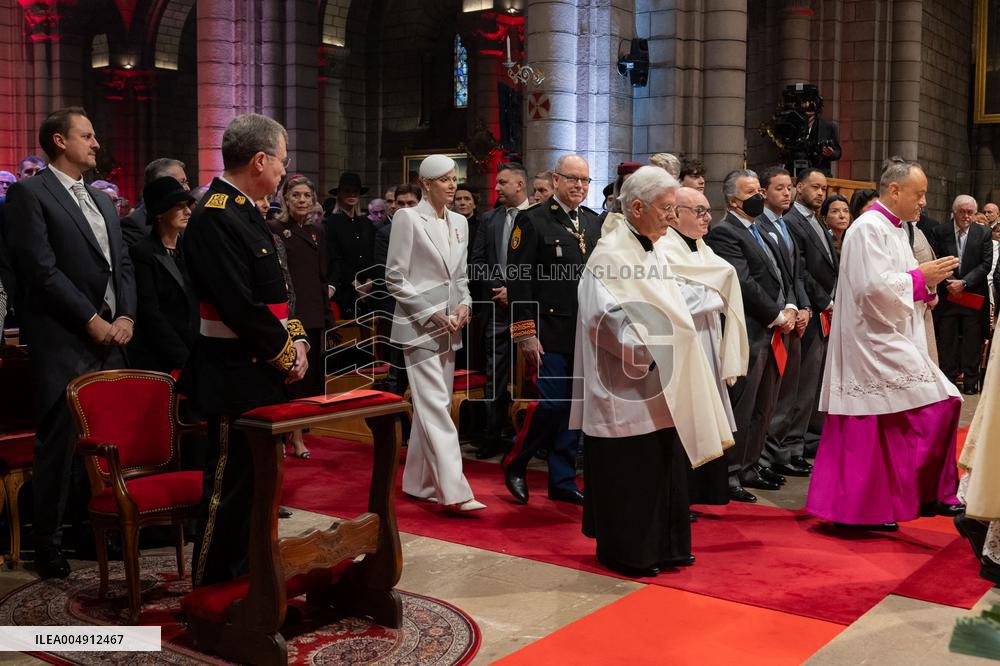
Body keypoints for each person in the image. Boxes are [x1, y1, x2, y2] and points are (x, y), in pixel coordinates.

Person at [570, 167, 735, 577]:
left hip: (663, 386)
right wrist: (652, 345)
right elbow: (603, 320)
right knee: (634, 474)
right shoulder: (609, 257)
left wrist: (700, 302)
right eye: (666, 209)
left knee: (664, 469)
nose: (671, 217)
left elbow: (671, 297)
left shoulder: (654, 249)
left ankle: (668, 547)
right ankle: (630, 552)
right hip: (627, 390)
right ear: (638, 207)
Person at [6, 107, 136, 578]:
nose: (96, 143)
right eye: (88, 135)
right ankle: (49, 543)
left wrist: (124, 314)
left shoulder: (102, 201)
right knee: (59, 445)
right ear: (60, 141)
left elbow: (121, 263)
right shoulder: (29, 193)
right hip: (63, 338)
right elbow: (40, 269)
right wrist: (89, 319)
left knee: (105, 443)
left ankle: (91, 530)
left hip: (110, 336)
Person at [180, 113, 310, 586]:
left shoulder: (246, 212)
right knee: (229, 488)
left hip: (260, 371)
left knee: (258, 484)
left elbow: (279, 290)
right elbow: (238, 303)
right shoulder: (216, 214)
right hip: (233, 373)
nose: (282, 171)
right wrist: (283, 350)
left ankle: (247, 575)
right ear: (259, 160)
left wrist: (296, 339)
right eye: (281, 161)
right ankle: (213, 587)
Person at [806, 159, 964, 530]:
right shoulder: (867, 229)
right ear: (894, 190)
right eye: (919, 194)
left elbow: (901, 282)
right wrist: (919, 278)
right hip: (871, 341)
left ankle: (882, 506)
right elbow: (871, 289)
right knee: (938, 403)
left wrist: (927, 285)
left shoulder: (896, 230)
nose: (923, 202)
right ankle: (920, 495)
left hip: (891, 333)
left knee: (891, 421)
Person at [385, 154, 483, 513]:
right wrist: (430, 314)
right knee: (436, 405)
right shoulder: (407, 218)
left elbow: (459, 277)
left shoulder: (460, 221)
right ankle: (455, 490)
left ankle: (418, 481)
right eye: (444, 179)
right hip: (418, 327)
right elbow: (394, 278)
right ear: (426, 183)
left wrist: (465, 306)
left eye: (454, 178)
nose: (452, 184)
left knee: (433, 403)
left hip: (451, 326)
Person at [503, 154, 602, 506]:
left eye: (585, 180)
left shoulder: (594, 222)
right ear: (556, 180)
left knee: (575, 407)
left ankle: (561, 478)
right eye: (572, 179)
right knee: (552, 403)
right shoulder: (533, 221)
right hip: (548, 330)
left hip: (585, 330)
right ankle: (515, 462)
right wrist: (525, 332)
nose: (579, 186)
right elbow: (519, 280)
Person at [704, 170, 790, 503]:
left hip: (771, 329)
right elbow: (742, 284)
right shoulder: (725, 233)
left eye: (758, 190)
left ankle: (752, 465)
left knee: (764, 404)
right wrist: (775, 314)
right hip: (751, 329)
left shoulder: (759, 229)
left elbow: (779, 273)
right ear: (733, 200)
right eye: (751, 192)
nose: (758, 196)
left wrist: (791, 306)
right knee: (743, 404)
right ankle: (731, 473)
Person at [662, 187, 748, 510]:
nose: (707, 218)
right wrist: (718, 293)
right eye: (699, 211)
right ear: (677, 213)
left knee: (708, 415)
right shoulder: (664, 247)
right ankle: (679, 496)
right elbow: (676, 299)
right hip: (682, 346)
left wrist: (717, 291)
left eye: (707, 210)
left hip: (707, 338)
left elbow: (717, 283)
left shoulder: (701, 247)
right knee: (686, 416)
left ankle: (700, 493)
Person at [268, 174, 333, 459]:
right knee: (288, 378)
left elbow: (322, 278)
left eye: (307, 195)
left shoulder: (318, 231)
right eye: (296, 195)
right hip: (289, 314)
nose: (302, 200)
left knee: (308, 380)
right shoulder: (275, 228)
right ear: (285, 198)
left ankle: (297, 436)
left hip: (314, 312)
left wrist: (327, 317)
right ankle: (283, 436)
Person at [470, 163, 531, 460]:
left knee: (535, 371)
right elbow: (478, 260)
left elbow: (545, 266)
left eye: (502, 182)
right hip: (497, 308)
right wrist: (499, 288)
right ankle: (492, 433)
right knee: (496, 372)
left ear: (520, 184)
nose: (496, 188)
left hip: (529, 309)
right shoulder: (489, 219)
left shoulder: (538, 218)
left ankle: (533, 439)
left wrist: (516, 291)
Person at [755, 167, 811, 483]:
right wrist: (784, 310)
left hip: (791, 315)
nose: (787, 193)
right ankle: (763, 456)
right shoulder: (761, 224)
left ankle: (776, 453)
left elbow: (794, 273)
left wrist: (800, 306)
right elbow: (767, 276)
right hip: (771, 321)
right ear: (764, 192)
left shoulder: (784, 225)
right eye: (780, 188)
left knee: (788, 392)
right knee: (770, 397)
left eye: (790, 188)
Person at [127, 176, 198, 373]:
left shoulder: (188, 247)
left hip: (194, 351)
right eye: (179, 206)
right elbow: (150, 313)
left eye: (188, 205)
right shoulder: (142, 252)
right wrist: (183, 358)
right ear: (159, 214)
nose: (188, 211)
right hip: (160, 359)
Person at [929, 195, 992, 394]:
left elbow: (985, 264)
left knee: (972, 341)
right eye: (962, 212)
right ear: (954, 212)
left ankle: (971, 381)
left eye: (970, 212)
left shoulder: (983, 233)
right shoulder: (940, 231)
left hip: (973, 295)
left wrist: (964, 283)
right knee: (947, 339)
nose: (966, 216)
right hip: (948, 295)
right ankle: (948, 379)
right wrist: (951, 282)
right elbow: (936, 259)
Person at [374, 184, 419, 396]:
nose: (405, 207)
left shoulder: (429, 227)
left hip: (428, 307)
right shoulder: (385, 233)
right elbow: (387, 274)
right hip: (397, 307)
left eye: (411, 203)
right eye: (400, 203)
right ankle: (398, 419)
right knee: (398, 367)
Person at [325, 172, 375, 319]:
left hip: (369, 288)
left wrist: (370, 281)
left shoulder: (366, 223)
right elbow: (335, 257)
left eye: (355, 191)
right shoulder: (331, 223)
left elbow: (371, 254)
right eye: (347, 191)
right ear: (339, 194)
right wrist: (355, 284)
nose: (351, 194)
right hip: (345, 289)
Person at [121, 158, 190, 248]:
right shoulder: (133, 224)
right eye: (182, 182)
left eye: (186, 182)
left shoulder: (183, 217)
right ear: (160, 185)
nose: (187, 188)